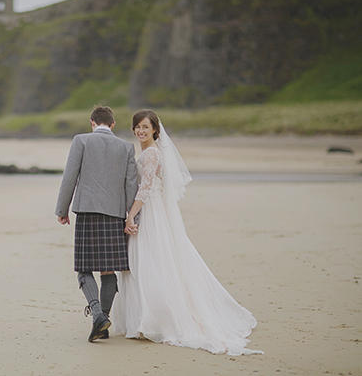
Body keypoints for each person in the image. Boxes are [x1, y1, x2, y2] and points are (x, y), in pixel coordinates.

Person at [111, 109, 263, 356]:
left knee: (148, 262)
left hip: (151, 213)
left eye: (145, 127)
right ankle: (142, 320)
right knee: (153, 262)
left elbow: (146, 188)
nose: (140, 131)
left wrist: (130, 215)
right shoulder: (151, 152)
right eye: (137, 127)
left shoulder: (150, 154)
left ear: (155, 131)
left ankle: (153, 320)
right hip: (154, 210)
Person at [56, 105, 139, 342]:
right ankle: (103, 318)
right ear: (112, 125)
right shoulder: (126, 147)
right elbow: (131, 185)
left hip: (87, 211)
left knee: (84, 268)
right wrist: (133, 218)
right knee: (108, 269)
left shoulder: (81, 141)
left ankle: (98, 316)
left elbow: (69, 175)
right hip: (115, 215)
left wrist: (62, 209)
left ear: (92, 122)